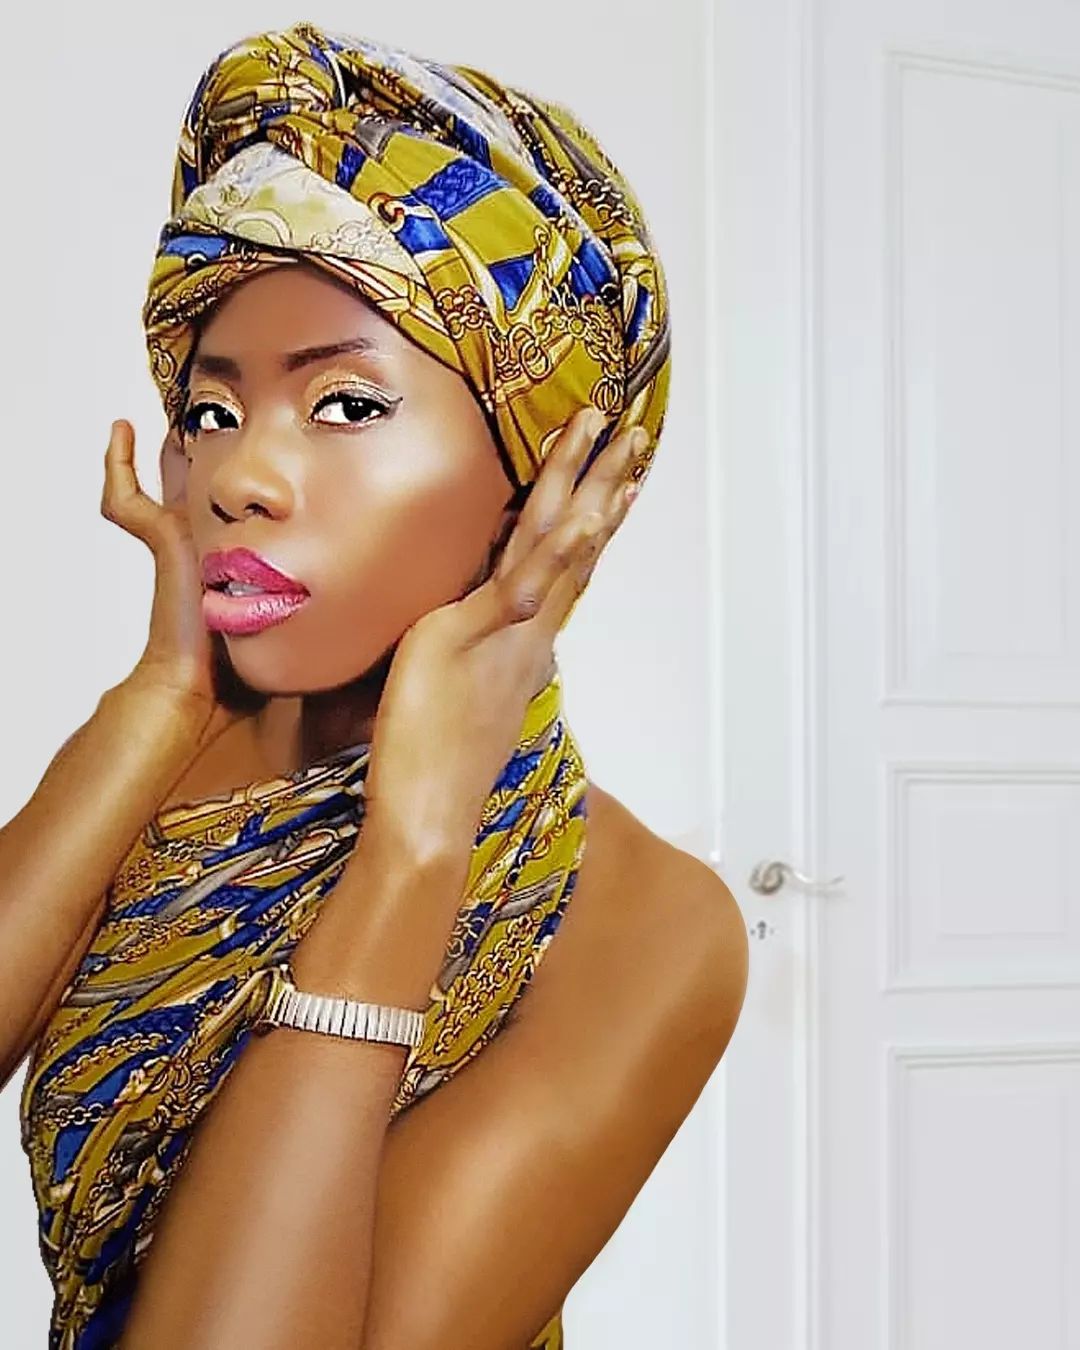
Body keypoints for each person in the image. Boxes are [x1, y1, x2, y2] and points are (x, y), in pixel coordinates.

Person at [4, 23, 749, 1349]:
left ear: (552, 477)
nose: (239, 478)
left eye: (345, 405)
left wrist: (412, 854)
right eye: (213, 412)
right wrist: (162, 695)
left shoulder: (643, 922)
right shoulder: (175, 753)